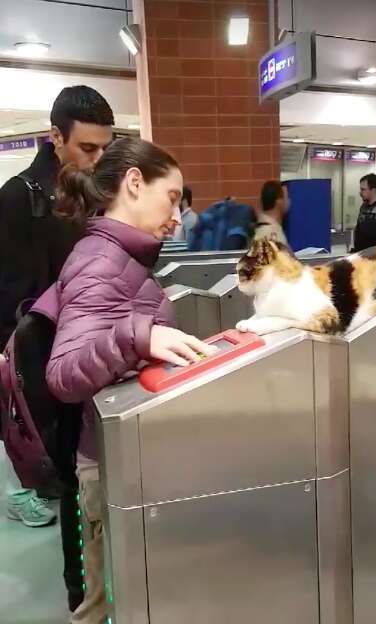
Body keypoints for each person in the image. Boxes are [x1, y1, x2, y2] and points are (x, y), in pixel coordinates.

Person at [46, 137, 217, 623]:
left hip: (118, 459)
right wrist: (137, 335)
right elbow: (63, 373)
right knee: (105, 605)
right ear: (135, 183)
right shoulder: (100, 262)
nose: (178, 216)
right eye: (172, 198)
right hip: (104, 466)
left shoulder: (120, 258)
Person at [0, 85, 114, 612]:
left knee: (86, 479)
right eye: (88, 147)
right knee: (70, 482)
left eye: (103, 147)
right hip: (47, 362)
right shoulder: (19, 197)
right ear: (55, 137)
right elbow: (11, 299)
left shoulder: (90, 190)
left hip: (92, 356)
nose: (97, 157)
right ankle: (80, 598)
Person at [252, 180, 289, 246]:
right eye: (286, 197)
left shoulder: (265, 229)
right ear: (279, 201)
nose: (288, 201)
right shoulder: (271, 235)